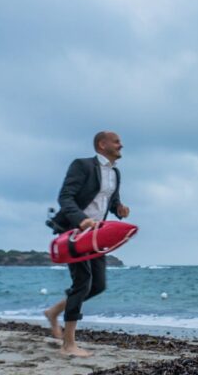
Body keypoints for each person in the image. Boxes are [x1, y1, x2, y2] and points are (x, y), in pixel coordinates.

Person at [44, 131, 130, 357]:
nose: (121, 145)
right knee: (82, 282)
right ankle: (68, 344)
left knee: (98, 285)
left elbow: (110, 201)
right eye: (116, 141)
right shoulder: (82, 165)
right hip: (73, 231)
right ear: (102, 144)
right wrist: (81, 220)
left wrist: (119, 209)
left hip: (95, 235)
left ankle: (53, 312)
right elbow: (65, 197)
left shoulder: (115, 173)